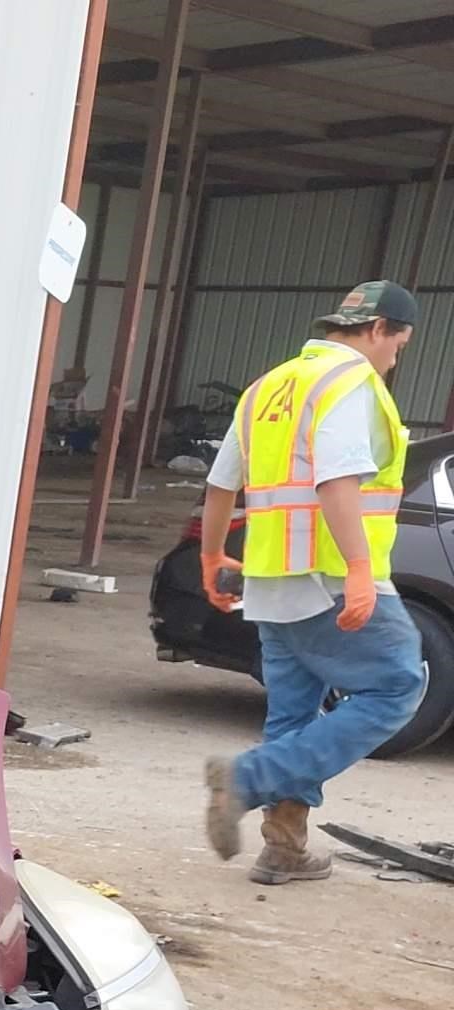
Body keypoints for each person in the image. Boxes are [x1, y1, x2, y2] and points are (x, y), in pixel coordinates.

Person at [197, 280, 428, 884]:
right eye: (398, 345)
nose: (394, 358)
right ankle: (245, 778)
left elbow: (223, 484)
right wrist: (357, 570)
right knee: (399, 685)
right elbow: (337, 480)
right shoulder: (350, 383)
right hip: (329, 573)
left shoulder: (266, 386)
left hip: (273, 578)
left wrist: (213, 554)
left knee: (294, 715)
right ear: (378, 330)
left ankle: (284, 848)